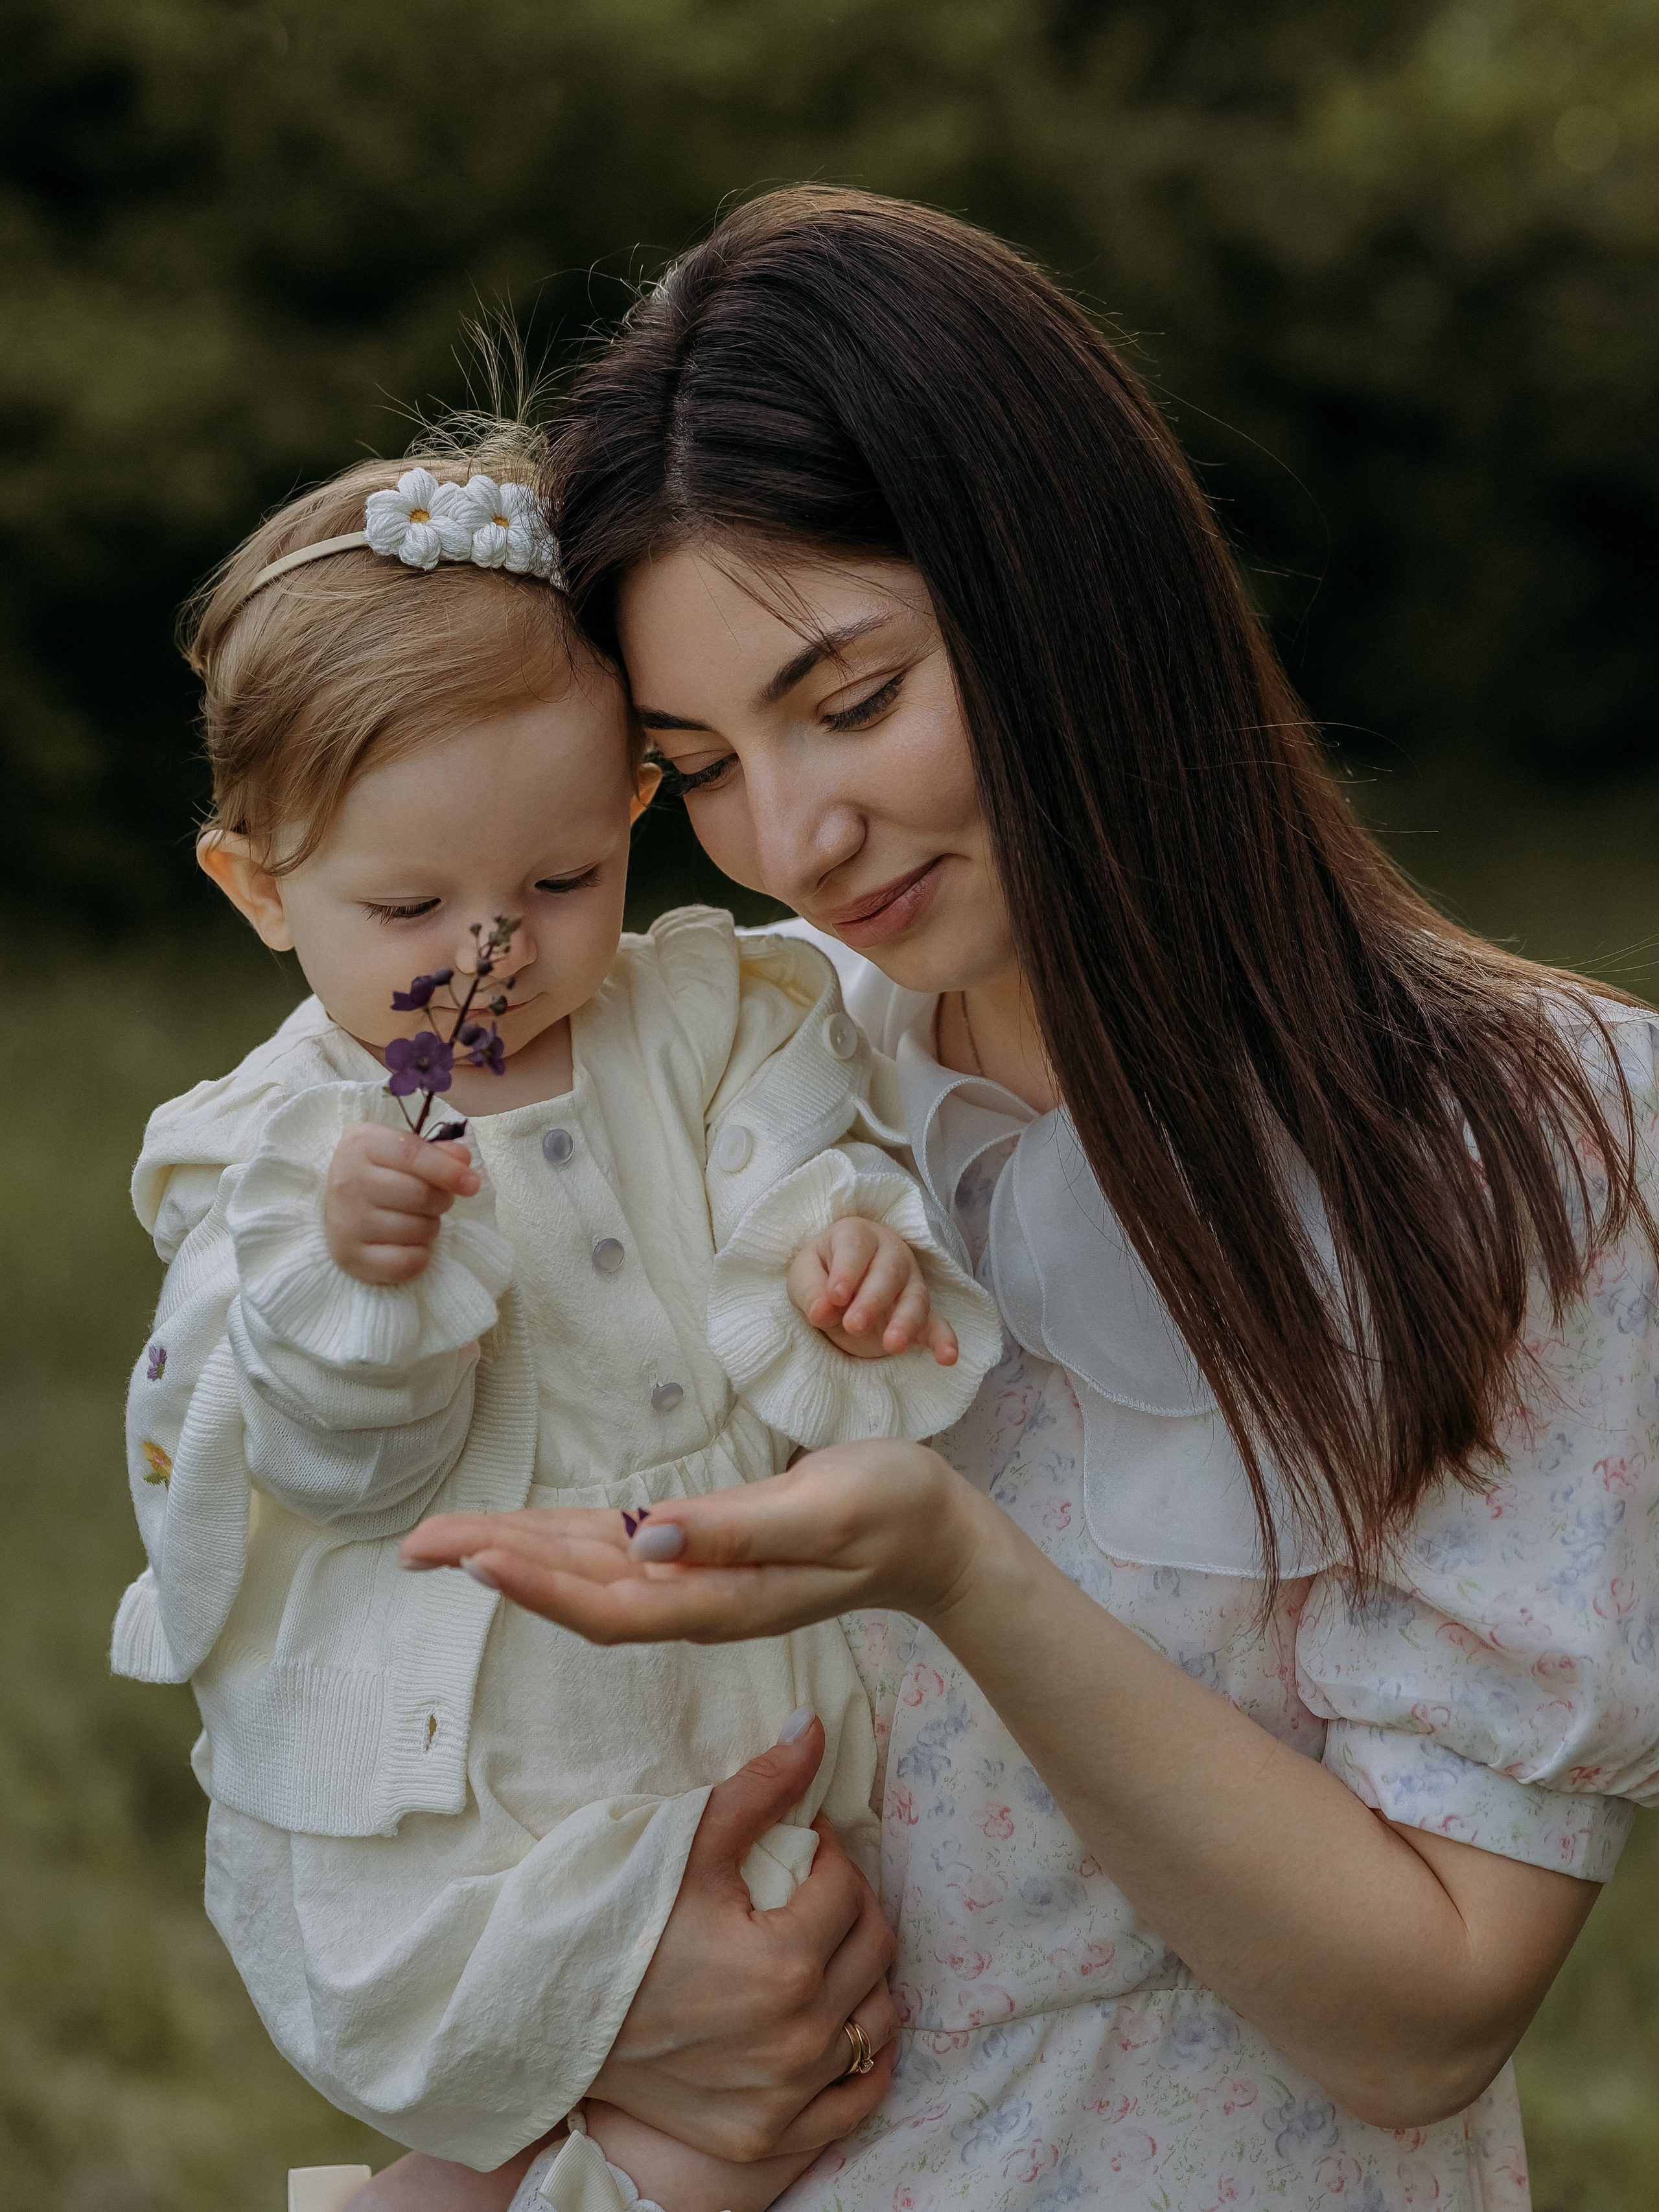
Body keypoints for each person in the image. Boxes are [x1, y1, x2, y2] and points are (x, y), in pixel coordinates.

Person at [404, 189, 1659, 2211]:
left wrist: (960, 1570)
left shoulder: (1543, 1148)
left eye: (851, 695)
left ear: (1063, 587)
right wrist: (600, 2020)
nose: (791, 838)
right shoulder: (743, 1077)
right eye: (697, 762)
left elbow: (1420, 2015)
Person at [108, 418, 1002, 2212]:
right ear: (261, 890)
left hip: (724, 1716)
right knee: (586, 2094)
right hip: (474, 1780)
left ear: (629, 819)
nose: (487, 957)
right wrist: (361, 1283)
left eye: (557, 884)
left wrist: (845, 1256)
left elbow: (807, 1172)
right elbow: (339, 1473)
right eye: (411, 907)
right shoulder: (285, 1155)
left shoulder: (710, 1021)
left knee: (796, 2070)